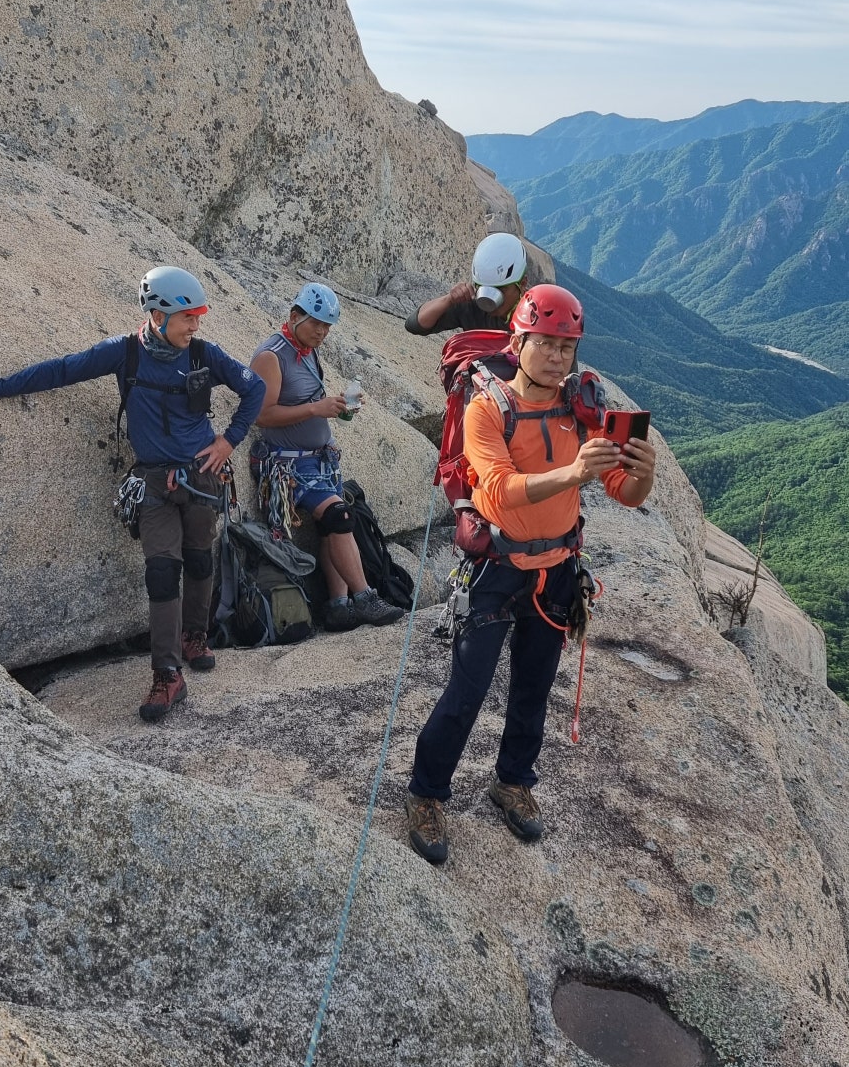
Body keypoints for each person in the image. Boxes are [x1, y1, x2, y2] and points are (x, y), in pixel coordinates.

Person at [405, 283, 656, 865]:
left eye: (566, 348)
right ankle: (425, 791)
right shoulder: (486, 405)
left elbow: (625, 492)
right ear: (517, 341)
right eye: (546, 343)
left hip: (556, 570)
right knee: (466, 691)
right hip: (496, 564)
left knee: (534, 686)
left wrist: (644, 473)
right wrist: (574, 474)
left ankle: (513, 779)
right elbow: (496, 491)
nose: (557, 357)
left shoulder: (581, 408)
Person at [0, 266, 266, 724]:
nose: (196, 326)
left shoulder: (203, 354)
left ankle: (195, 636)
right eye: (188, 317)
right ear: (158, 315)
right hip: (153, 483)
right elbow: (62, 370)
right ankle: (167, 674)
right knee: (161, 572)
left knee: (199, 560)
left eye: (198, 317)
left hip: (201, 479)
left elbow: (254, 388)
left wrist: (228, 441)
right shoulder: (125, 354)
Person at [249, 284, 403, 632]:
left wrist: (334, 406)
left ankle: (338, 605)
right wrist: (316, 408)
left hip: (319, 460)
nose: (322, 332)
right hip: (288, 463)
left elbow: (302, 401)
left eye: (327, 326)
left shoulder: (307, 350)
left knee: (328, 527)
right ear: (294, 316)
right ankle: (365, 598)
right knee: (338, 516)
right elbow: (262, 415)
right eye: (316, 323)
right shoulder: (271, 356)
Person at [404, 232, 530, 335]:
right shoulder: (473, 307)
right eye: (483, 287)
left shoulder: (536, 315)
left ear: (522, 284)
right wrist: (449, 299)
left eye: (500, 289)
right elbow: (415, 325)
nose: (490, 298)